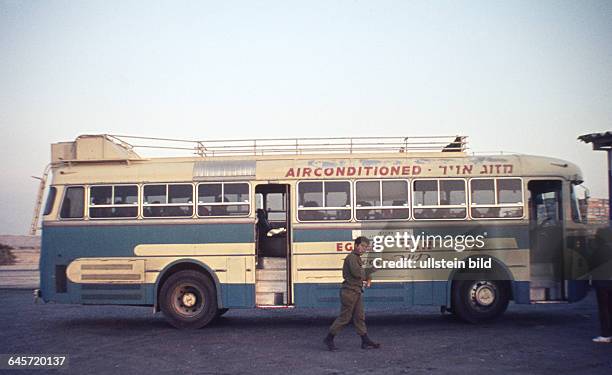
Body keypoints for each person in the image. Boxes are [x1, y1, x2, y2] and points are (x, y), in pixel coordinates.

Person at [323, 236, 380, 351]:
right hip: (349, 292)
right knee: (345, 317)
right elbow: (356, 273)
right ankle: (329, 338)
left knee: (359, 317)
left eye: (366, 247)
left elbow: (360, 273)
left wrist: (368, 274)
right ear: (356, 245)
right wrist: (370, 272)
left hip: (356, 291)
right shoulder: (352, 258)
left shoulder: (356, 258)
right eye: (362, 246)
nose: (364, 249)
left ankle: (365, 341)